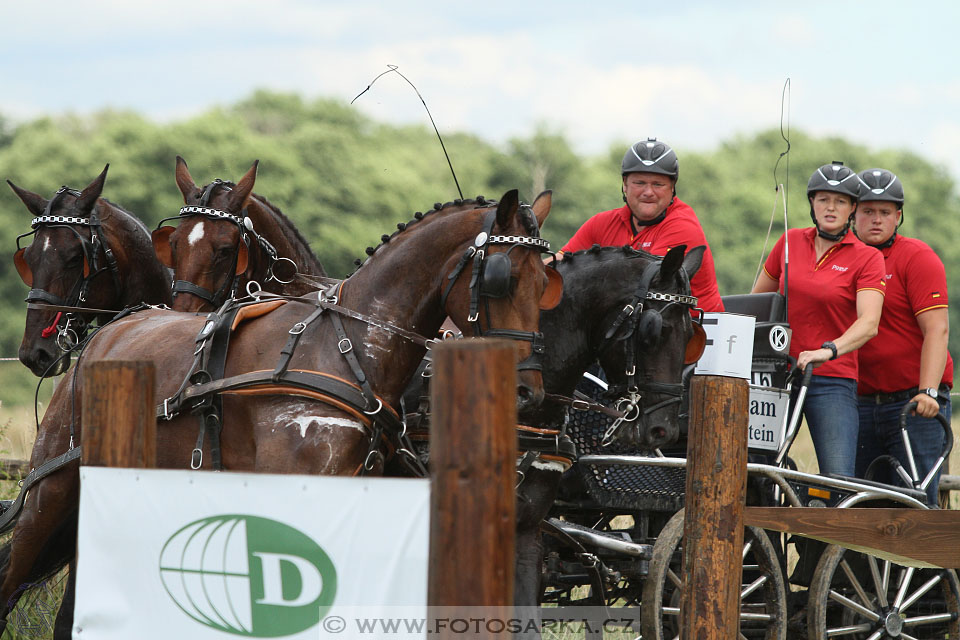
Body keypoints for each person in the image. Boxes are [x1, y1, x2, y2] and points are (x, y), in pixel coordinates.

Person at [752, 162, 886, 476]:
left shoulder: (867, 257)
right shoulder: (788, 242)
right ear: (812, 203)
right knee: (757, 466)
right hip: (777, 375)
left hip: (832, 379)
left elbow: (869, 322)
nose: (830, 207)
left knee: (837, 474)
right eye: (823, 199)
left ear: (853, 208)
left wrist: (828, 351)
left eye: (840, 201)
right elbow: (755, 304)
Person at [853, 168, 952, 504]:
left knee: (916, 504)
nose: (876, 220)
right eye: (867, 211)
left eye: (885, 212)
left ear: (899, 216)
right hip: (860, 402)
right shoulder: (843, 259)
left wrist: (928, 392)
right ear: (853, 213)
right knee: (862, 504)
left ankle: (925, 560)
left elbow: (937, 329)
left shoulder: (917, 257)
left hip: (913, 403)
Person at [557, 138, 724, 312]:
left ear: (672, 187)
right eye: (639, 183)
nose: (648, 192)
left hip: (697, 329)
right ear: (625, 185)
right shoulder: (601, 223)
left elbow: (640, 284)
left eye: (658, 184)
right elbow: (557, 267)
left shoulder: (683, 226)